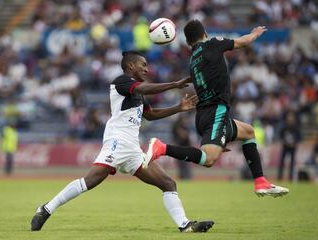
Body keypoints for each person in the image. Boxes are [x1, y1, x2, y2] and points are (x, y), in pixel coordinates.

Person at [30, 51, 214, 233]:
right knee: (91, 180)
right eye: (143, 65)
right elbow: (143, 89)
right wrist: (174, 84)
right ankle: (46, 209)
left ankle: (185, 225)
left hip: (132, 148)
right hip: (117, 141)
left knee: (168, 184)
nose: (147, 69)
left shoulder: (137, 93)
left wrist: (178, 108)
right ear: (131, 66)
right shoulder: (121, 81)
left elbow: (150, 115)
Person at [144, 19, 289, 197]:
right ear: (204, 33)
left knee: (248, 132)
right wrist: (255, 34)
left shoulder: (193, 60)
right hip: (215, 112)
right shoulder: (211, 45)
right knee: (209, 159)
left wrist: (222, 134)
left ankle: (261, 182)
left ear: (189, 42)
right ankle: (161, 148)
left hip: (207, 113)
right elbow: (243, 42)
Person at [277, 111, 301, 181]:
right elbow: (281, 137)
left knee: (292, 163)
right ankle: (280, 177)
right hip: (285, 147)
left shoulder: (296, 128)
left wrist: (294, 144)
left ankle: (290, 177)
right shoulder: (284, 128)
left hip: (293, 148)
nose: (290, 120)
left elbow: (299, 138)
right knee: (282, 162)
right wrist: (286, 143)